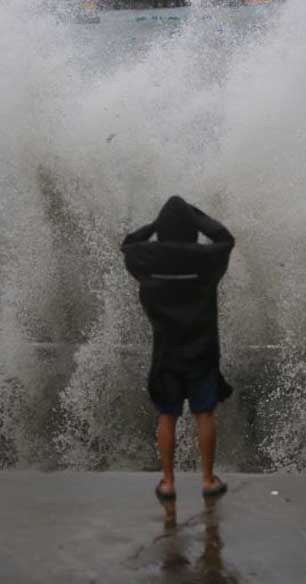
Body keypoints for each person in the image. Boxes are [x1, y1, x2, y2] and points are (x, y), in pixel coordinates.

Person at [121, 195, 235, 500]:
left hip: (166, 352)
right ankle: (208, 480)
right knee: (205, 414)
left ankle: (169, 483)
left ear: (163, 230)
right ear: (191, 229)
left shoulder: (147, 260)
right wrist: (197, 216)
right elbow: (225, 239)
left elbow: (129, 244)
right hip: (202, 350)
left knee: (167, 415)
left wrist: (155, 225)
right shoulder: (205, 260)